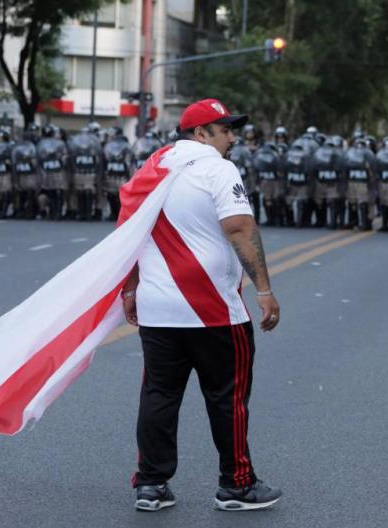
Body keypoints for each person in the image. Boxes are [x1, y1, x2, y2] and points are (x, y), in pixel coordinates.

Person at [122, 98, 282, 512]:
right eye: (224, 129)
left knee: (159, 395)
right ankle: (237, 485)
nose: (232, 137)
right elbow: (240, 227)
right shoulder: (218, 168)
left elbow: (129, 233)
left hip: (159, 309)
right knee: (227, 397)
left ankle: (152, 485)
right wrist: (263, 289)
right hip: (212, 309)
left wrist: (130, 289)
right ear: (200, 133)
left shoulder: (153, 166)